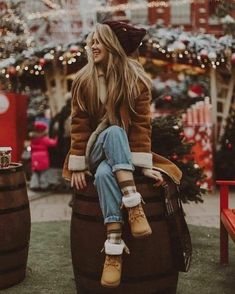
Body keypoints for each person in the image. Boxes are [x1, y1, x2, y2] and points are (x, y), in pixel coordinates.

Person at [63, 21, 182, 288]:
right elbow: (79, 125)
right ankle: (133, 202)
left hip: (119, 160)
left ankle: (113, 246)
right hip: (94, 150)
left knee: (106, 173)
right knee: (114, 131)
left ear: (112, 46)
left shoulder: (136, 81)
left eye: (98, 41)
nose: (92, 46)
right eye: (91, 41)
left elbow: (141, 125)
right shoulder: (83, 80)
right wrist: (79, 165)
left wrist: (143, 164)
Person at [29, 121, 57, 191]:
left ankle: (34, 185)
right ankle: (43, 185)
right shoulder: (44, 139)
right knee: (43, 172)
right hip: (43, 157)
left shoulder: (33, 139)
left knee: (35, 172)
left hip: (34, 157)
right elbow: (53, 143)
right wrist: (57, 138)